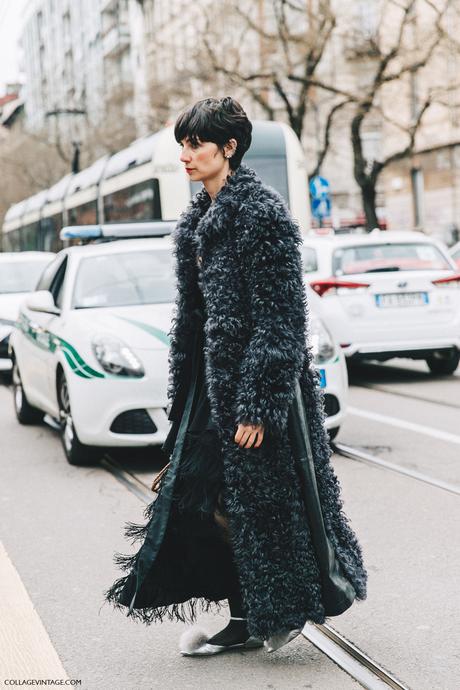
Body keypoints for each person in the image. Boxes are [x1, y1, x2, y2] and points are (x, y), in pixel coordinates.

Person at [103, 96, 367, 656]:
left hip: (256, 390)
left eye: (196, 144)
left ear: (229, 148)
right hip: (209, 389)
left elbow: (282, 321)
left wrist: (257, 404)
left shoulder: (262, 215)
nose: (185, 154)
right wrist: (187, 405)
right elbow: (195, 323)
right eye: (183, 143)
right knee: (209, 500)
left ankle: (278, 607)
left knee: (270, 504)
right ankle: (252, 612)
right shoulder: (198, 219)